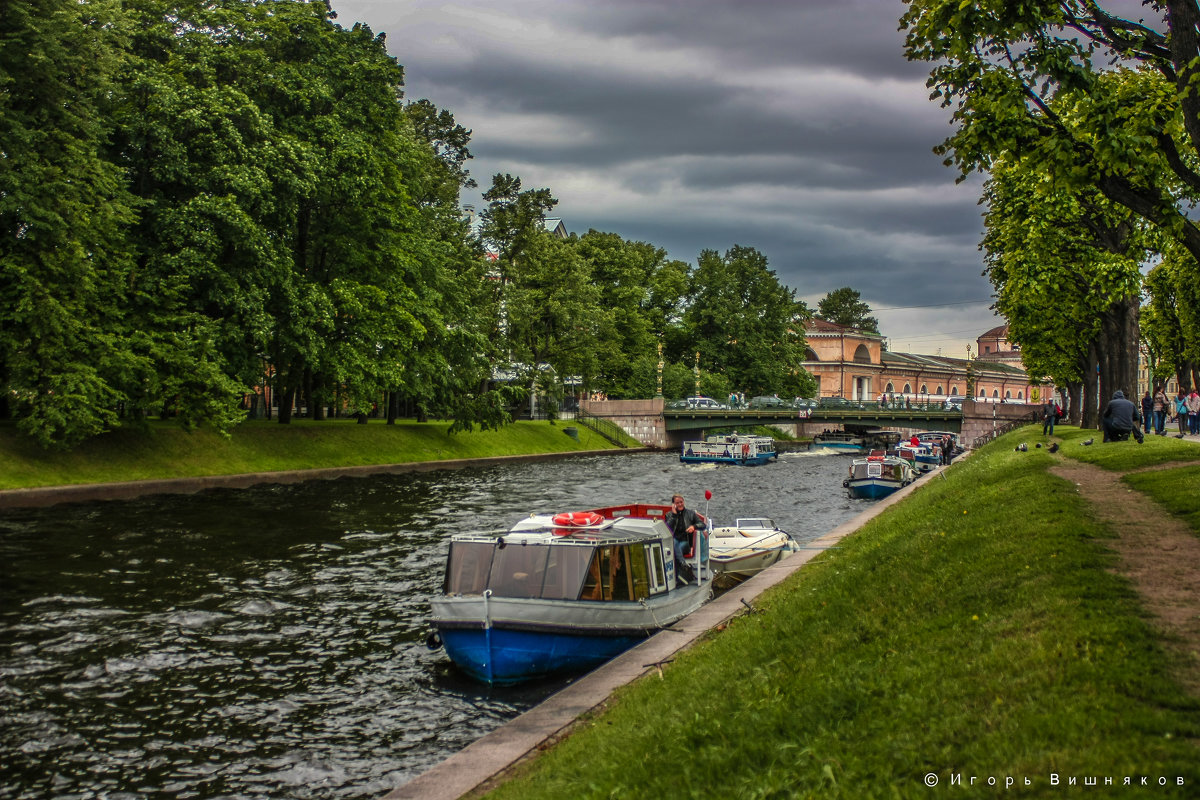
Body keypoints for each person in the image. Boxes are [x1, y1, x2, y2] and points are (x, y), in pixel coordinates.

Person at [664, 494, 705, 583]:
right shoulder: (669, 515)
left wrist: (693, 527)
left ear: (684, 502)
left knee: (675, 547)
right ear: (673, 505)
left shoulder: (690, 514)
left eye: (681, 502)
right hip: (673, 543)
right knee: (674, 542)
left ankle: (679, 574)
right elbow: (667, 529)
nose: (680, 504)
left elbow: (703, 525)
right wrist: (674, 516)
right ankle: (683, 565)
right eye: (677, 503)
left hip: (685, 542)